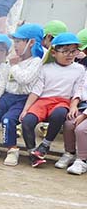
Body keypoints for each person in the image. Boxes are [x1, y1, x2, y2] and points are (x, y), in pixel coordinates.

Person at [0, 23, 44, 165]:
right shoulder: (12, 60)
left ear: (31, 43)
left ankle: (12, 150)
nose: (15, 45)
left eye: (19, 42)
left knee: (8, 119)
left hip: (23, 99)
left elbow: (25, 79)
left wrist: (14, 66)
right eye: (14, 41)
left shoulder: (36, 62)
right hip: (7, 96)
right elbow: (3, 80)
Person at [22, 32, 85, 167]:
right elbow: (37, 90)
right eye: (65, 51)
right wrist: (26, 109)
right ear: (54, 53)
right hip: (43, 101)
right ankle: (33, 153)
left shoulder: (79, 69)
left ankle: (45, 145)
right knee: (27, 121)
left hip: (62, 101)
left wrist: (73, 106)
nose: (69, 55)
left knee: (59, 114)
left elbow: (77, 91)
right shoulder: (45, 68)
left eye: (73, 51)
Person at [60, 75, 87, 174]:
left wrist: (84, 115)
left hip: (85, 112)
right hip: (82, 106)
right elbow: (80, 89)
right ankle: (70, 153)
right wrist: (73, 105)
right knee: (69, 123)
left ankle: (82, 160)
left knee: (81, 129)